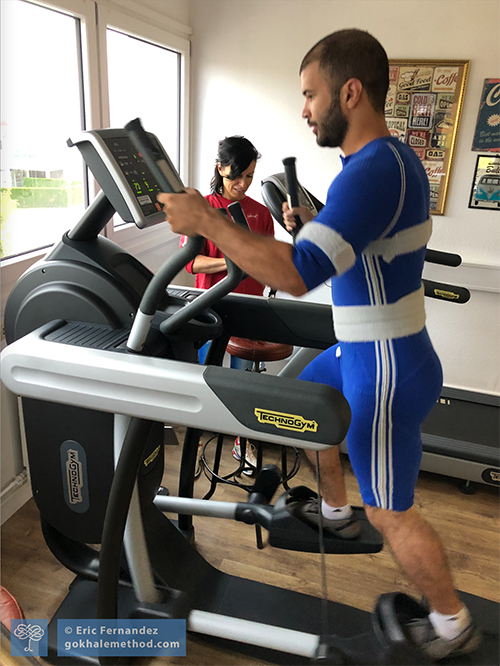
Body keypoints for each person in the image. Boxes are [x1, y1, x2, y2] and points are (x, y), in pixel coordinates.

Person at [158, 29, 481, 661]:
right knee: (305, 401)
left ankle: (452, 623)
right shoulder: (378, 164)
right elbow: (344, 243)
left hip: (384, 367)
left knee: (390, 511)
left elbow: (297, 274)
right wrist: (312, 224)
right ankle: (335, 512)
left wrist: (209, 221)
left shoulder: (375, 171)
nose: (303, 109)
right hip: (362, 350)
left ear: (350, 92)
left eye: (310, 95)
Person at [180, 136, 275, 473]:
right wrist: (230, 262)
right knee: (206, 381)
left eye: (249, 176)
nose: (243, 183)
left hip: (247, 311)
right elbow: (193, 264)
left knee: (243, 384)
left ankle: (241, 442)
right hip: (208, 308)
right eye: (237, 175)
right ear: (220, 168)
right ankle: (195, 444)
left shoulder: (260, 213)